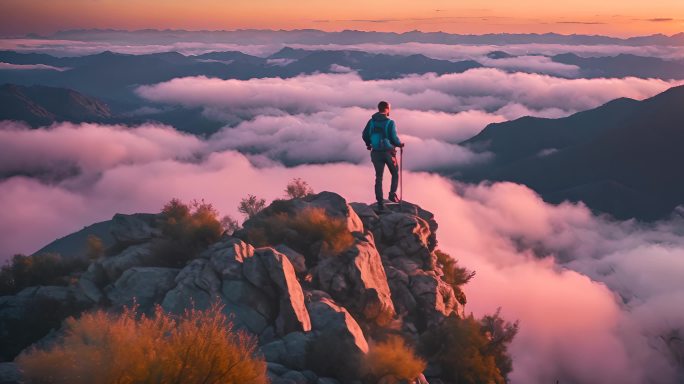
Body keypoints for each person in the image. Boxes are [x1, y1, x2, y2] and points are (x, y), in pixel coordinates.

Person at [362, 101, 404, 210]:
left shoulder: (371, 121)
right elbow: (393, 138)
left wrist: (368, 144)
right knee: (395, 172)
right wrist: (399, 144)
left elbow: (365, 134)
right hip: (388, 152)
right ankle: (392, 195)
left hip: (375, 152)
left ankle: (380, 202)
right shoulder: (390, 122)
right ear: (387, 109)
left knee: (379, 177)